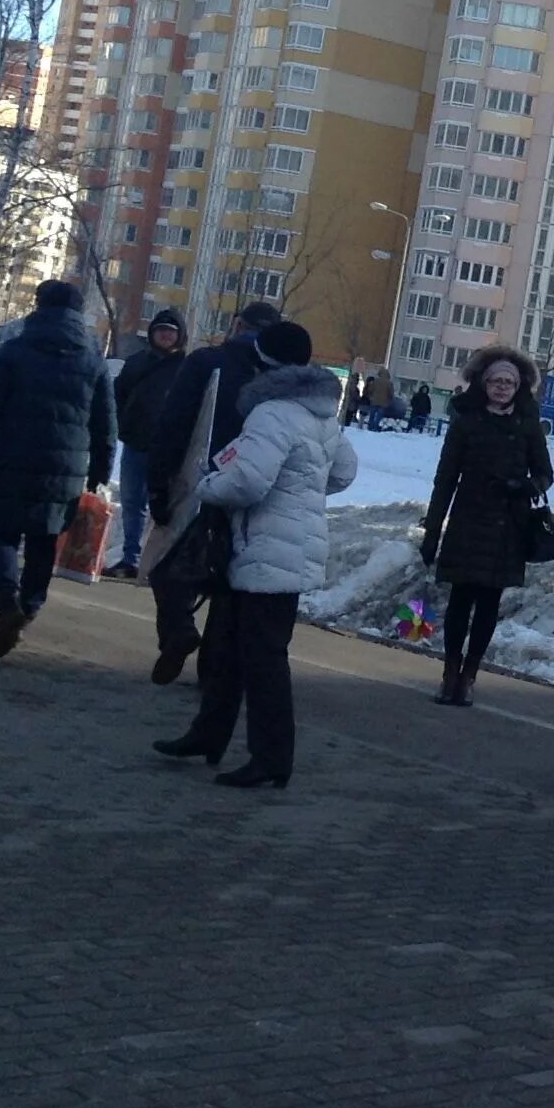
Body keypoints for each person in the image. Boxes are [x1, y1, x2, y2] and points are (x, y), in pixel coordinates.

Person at [151, 321, 355, 788]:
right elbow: (344, 472)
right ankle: (208, 734)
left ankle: (271, 758)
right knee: (225, 646)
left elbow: (247, 482)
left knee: (262, 658)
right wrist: (303, 491)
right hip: (279, 546)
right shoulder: (320, 412)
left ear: (262, 360)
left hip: (264, 546)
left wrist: (204, 486)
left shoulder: (271, 413)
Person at [0, 280, 114, 658]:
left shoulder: (16, 350)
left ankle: (6, 601)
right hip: (65, 467)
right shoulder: (92, 358)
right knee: (43, 539)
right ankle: (31, 606)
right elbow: (105, 422)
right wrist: (101, 469)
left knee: (1, 532)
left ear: (39, 306)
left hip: (12, 457)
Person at [141, 300, 279, 683]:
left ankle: (179, 628)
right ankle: (215, 668)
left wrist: (158, 483)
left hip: (200, 483)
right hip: (257, 493)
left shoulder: (206, 363)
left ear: (237, 325)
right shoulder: (281, 378)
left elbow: (174, 422)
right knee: (228, 582)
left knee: (169, 567)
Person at [422, 345, 554, 707]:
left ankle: (469, 676)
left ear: (519, 386)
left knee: (488, 605)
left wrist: (525, 486)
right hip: (468, 519)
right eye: (496, 380)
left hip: (507, 527)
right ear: (483, 382)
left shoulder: (527, 423)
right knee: (460, 601)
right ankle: (450, 672)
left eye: (509, 382)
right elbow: (445, 478)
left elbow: (545, 473)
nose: (502, 387)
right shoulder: (467, 420)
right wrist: (433, 530)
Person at [108, 307, 186, 579]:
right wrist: (123, 424)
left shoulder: (186, 367)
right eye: (161, 330)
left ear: (180, 336)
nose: (165, 335)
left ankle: (160, 562)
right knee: (132, 502)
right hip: (136, 444)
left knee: (166, 508)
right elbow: (117, 396)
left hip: (171, 452)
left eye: (171, 331)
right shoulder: (137, 363)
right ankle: (131, 558)